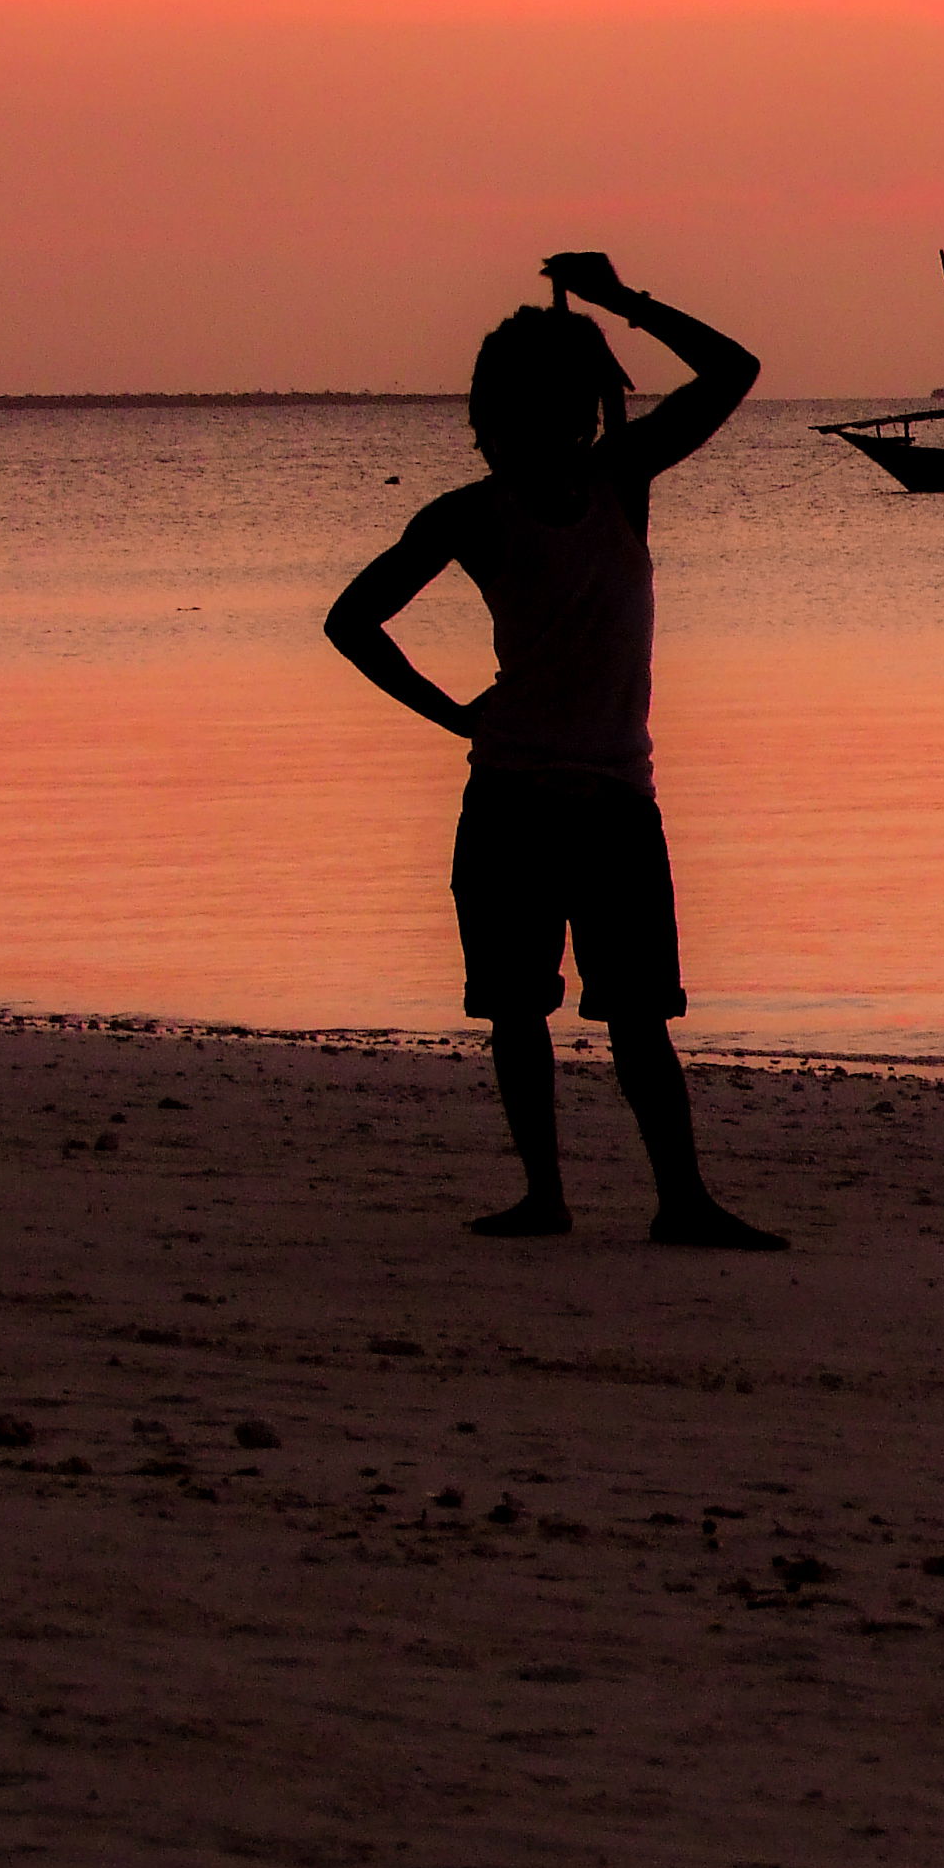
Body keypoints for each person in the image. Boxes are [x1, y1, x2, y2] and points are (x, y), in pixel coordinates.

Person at [327, 252, 785, 1249]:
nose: (544, 427)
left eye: (561, 405)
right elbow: (351, 619)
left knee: (636, 1016)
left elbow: (733, 371)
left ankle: (680, 1201)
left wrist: (625, 302)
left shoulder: (619, 479)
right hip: (518, 801)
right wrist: (452, 715)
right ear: (496, 417)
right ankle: (551, 1198)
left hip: (613, 799)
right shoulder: (473, 515)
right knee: (521, 1011)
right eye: (526, 409)